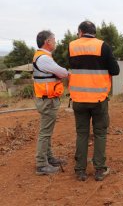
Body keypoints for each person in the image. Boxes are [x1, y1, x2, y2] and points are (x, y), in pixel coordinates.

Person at [68, 21, 120, 181]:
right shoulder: (103, 46)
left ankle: (80, 171)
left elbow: (72, 67)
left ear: (80, 32)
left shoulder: (71, 46)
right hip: (98, 99)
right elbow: (116, 71)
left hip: (78, 99)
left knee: (82, 133)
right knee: (100, 133)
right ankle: (99, 170)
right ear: (94, 32)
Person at [33, 30, 69, 175]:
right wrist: (66, 73)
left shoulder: (44, 56)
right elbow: (62, 73)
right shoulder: (43, 58)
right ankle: (41, 164)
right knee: (45, 132)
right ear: (47, 42)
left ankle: (48, 157)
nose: (55, 42)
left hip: (47, 99)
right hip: (47, 100)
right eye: (54, 39)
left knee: (46, 131)